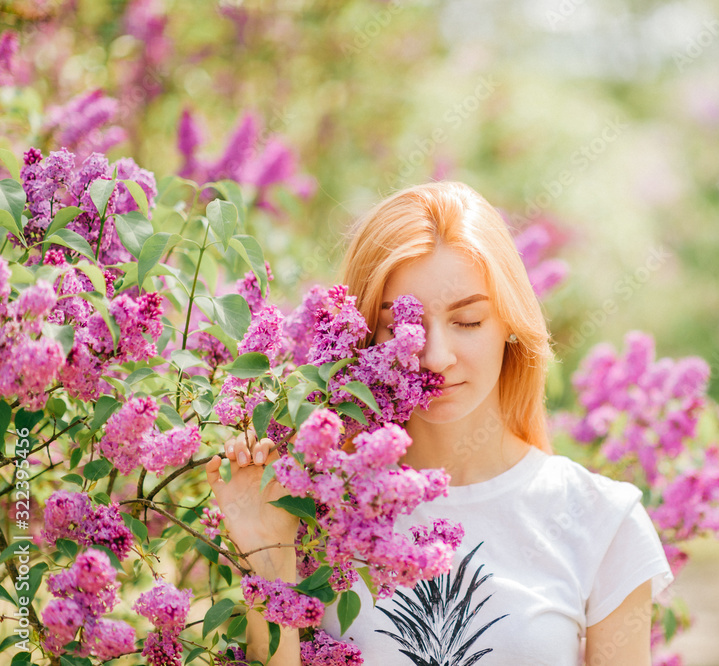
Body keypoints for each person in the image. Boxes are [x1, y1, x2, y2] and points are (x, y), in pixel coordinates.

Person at [207, 181, 672, 665]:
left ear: (510, 324)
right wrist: (267, 557)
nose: (435, 356)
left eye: (467, 321)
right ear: (360, 332)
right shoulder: (314, 512)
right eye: (400, 326)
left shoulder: (603, 522)